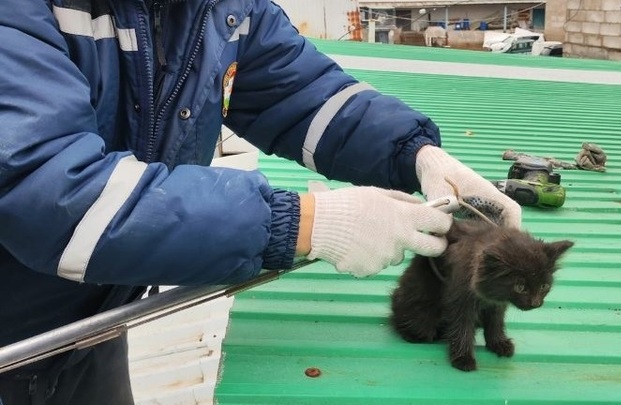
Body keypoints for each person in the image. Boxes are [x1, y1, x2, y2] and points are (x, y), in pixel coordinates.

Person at [0, 0, 521, 403]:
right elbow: (44, 189)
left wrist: (417, 155)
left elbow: (302, 97)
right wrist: (303, 223)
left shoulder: (217, 9)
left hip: (90, 324)